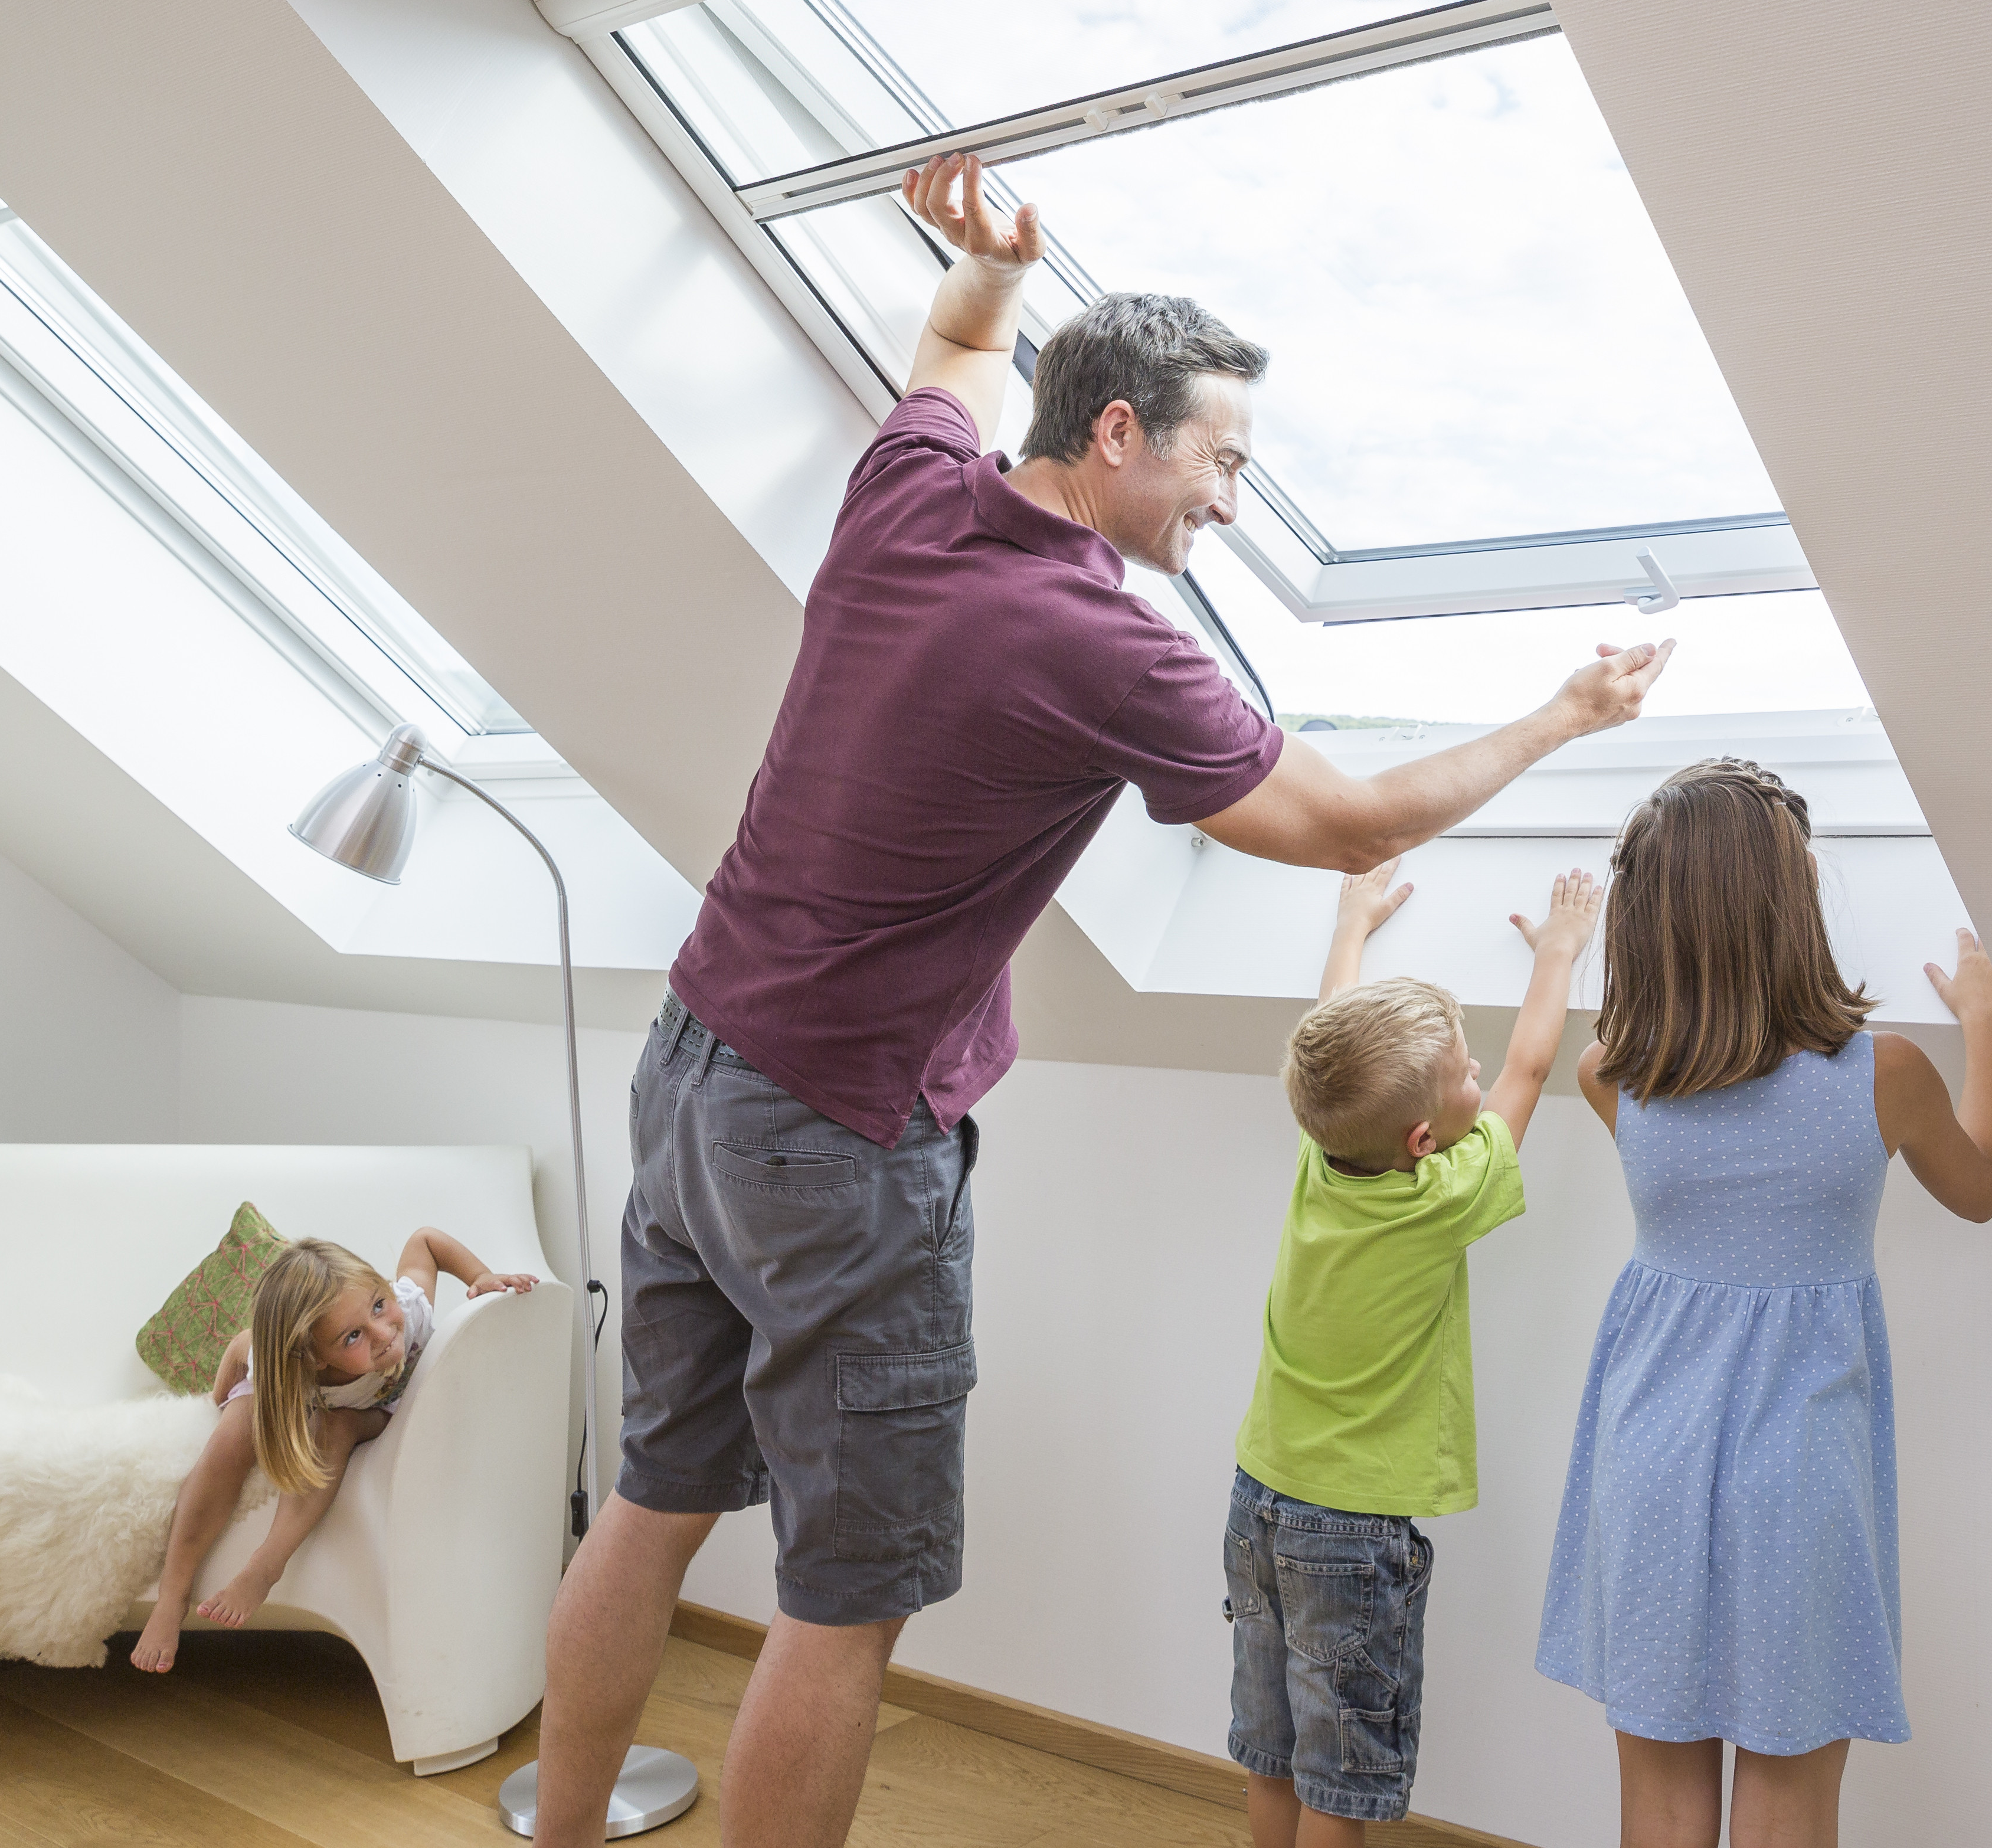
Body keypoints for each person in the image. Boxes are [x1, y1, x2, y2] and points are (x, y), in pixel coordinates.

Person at [532, 153, 1674, 1848]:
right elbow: (1349, 821)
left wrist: (991, 273)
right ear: (1121, 433)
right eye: (1224, 462)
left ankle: (561, 1831)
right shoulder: (1098, 640)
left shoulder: (913, 493)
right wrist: (1564, 718)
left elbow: (949, 357)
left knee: (651, 1496)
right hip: (834, 1133)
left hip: (693, 1063)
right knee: (842, 1597)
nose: (1233, 505)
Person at [1533, 759, 1992, 1848]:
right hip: (1801, 1474)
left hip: (1647, 1457)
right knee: (1789, 1798)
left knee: (1660, 1799)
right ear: (1789, 906)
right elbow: (1983, 1188)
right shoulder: (1885, 1076)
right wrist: (1987, 1029)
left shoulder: (1613, 1075)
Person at [1226, 859, 1600, 1846]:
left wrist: (1352, 923)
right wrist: (1559, 953)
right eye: (1465, 1073)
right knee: (1339, 1782)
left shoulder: (1321, 1155)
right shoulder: (1441, 1199)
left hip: (1258, 1499)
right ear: (1427, 1138)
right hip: (1349, 1533)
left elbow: (1330, 1029)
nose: (1483, 1075)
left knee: (1273, 1752)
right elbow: (1530, 1072)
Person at [133, 1229, 539, 1673]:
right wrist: (216, 1404)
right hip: (300, 1394)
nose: (384, 1333)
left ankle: (266, 1566)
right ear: (315, 1357)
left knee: (337, 1425)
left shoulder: (409, 1310)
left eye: (378, 1305)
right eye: (353, 1337)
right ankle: (172, 1596)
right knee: (233, 1432)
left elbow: (425, 1241)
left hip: (374, 1411)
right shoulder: (284, 1366)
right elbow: (239, 1347)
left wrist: (480, 1276)